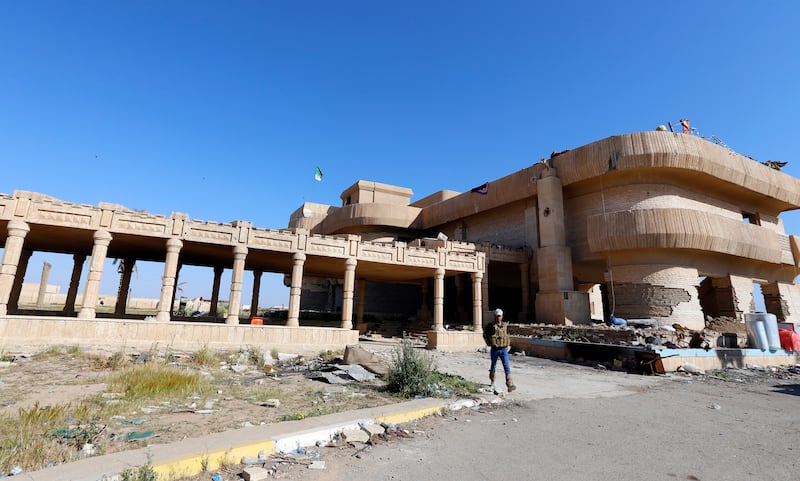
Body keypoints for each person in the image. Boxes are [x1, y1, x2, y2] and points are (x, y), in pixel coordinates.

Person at [483, 308, 516, 394]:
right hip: (495, 349)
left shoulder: (505, 326)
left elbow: (507, 336)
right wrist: (489, 343)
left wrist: (508, 345)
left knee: (507, 367)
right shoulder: (491, 326)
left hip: (503, 349)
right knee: (493, 366)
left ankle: (509, 384)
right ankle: (493, 381)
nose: (498, 318)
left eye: (500, 316)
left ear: (502, 316)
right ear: (495, 316)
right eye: (497, 316)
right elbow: (485, 335)